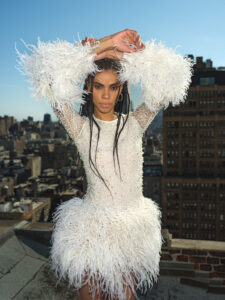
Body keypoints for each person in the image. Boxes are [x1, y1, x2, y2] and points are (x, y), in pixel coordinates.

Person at [16, 29, 193, 300]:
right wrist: (107, 43)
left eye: (113, 87)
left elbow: (170, 77)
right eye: (98, 86)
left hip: (130, 230)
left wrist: (124, 54)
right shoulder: (80, 128)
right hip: (91, 231)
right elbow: (47, 76)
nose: (106, 95)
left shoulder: (135, 123)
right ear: (89, 87)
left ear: (121, 88)